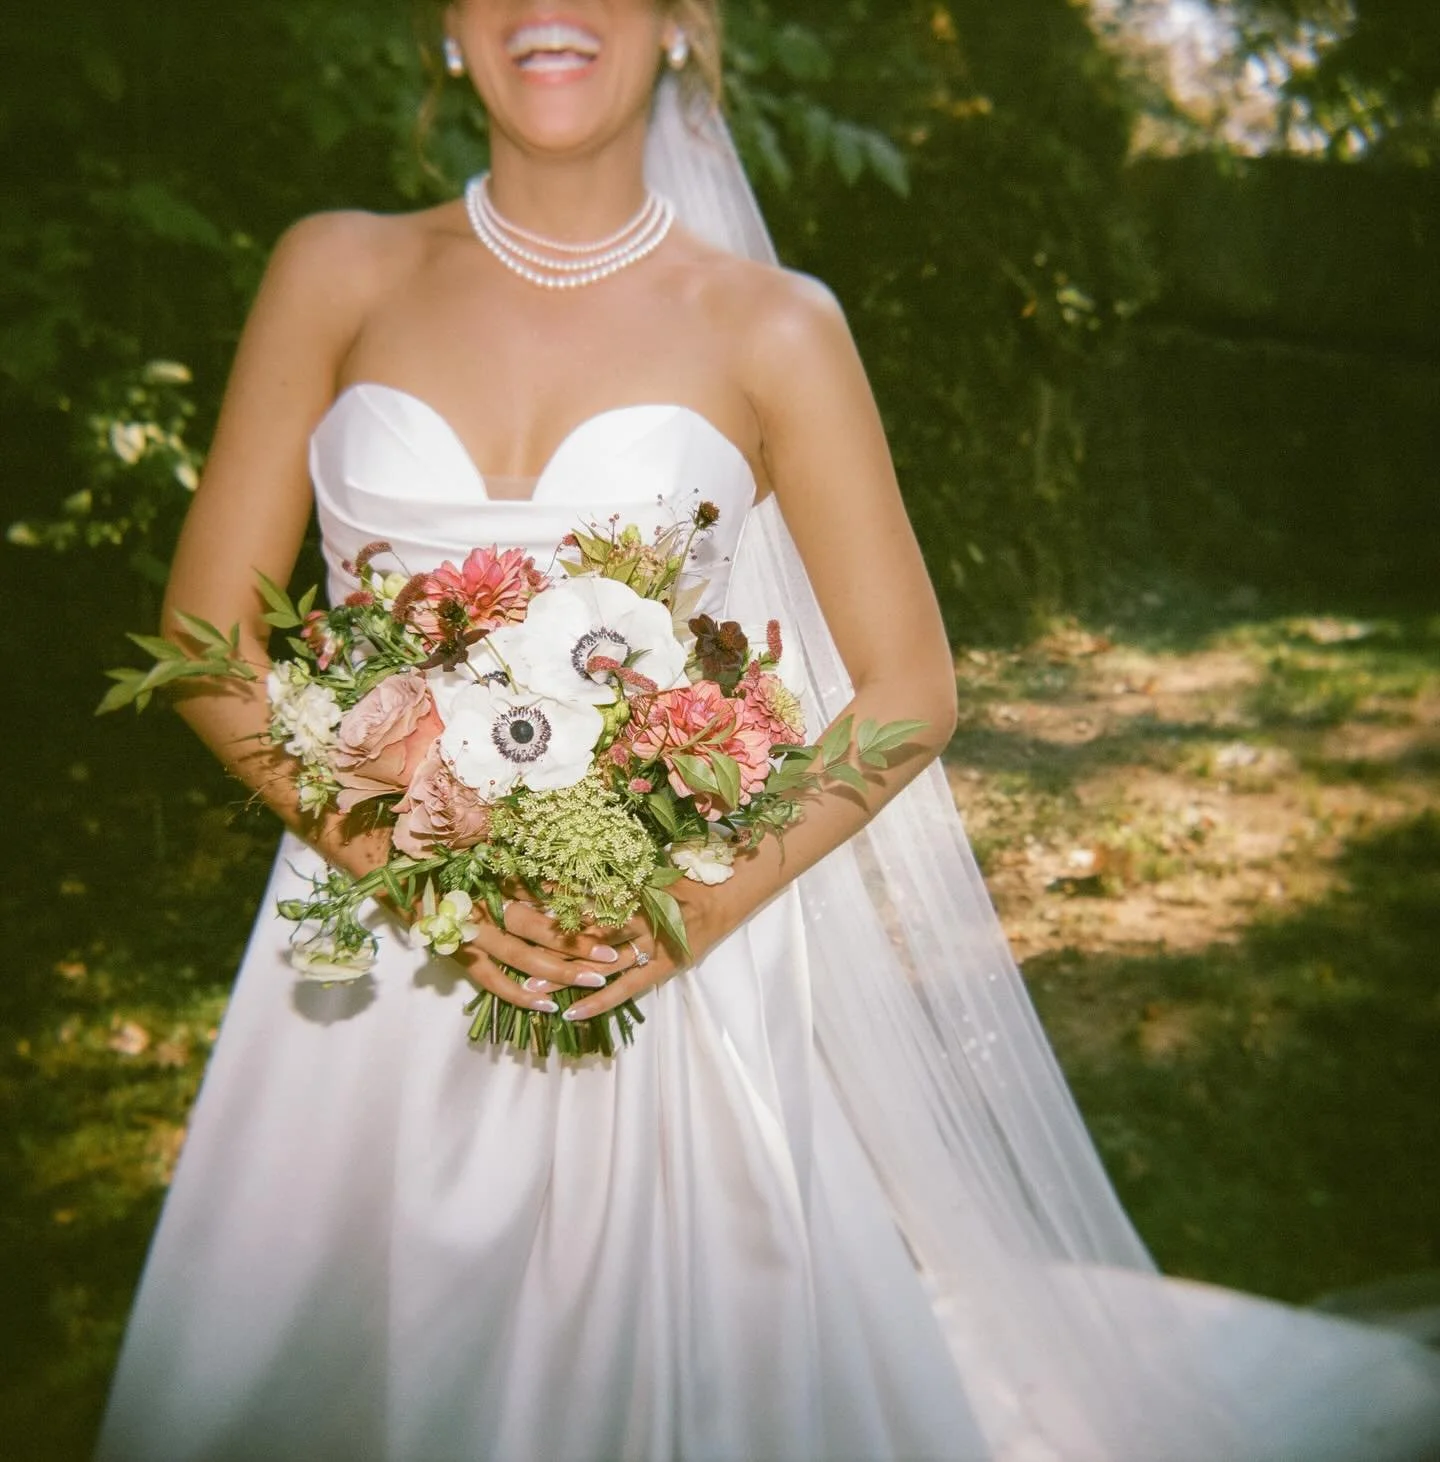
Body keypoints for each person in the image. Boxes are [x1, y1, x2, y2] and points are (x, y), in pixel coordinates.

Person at [97, 3, 1440, 1459]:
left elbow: (911, 685)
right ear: (446, 26)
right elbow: (207, 644)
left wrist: (684, 912)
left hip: (655, 979)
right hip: (364, 977)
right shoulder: (333, 270)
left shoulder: (775, 326)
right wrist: (416, 873)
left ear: (684, 22)